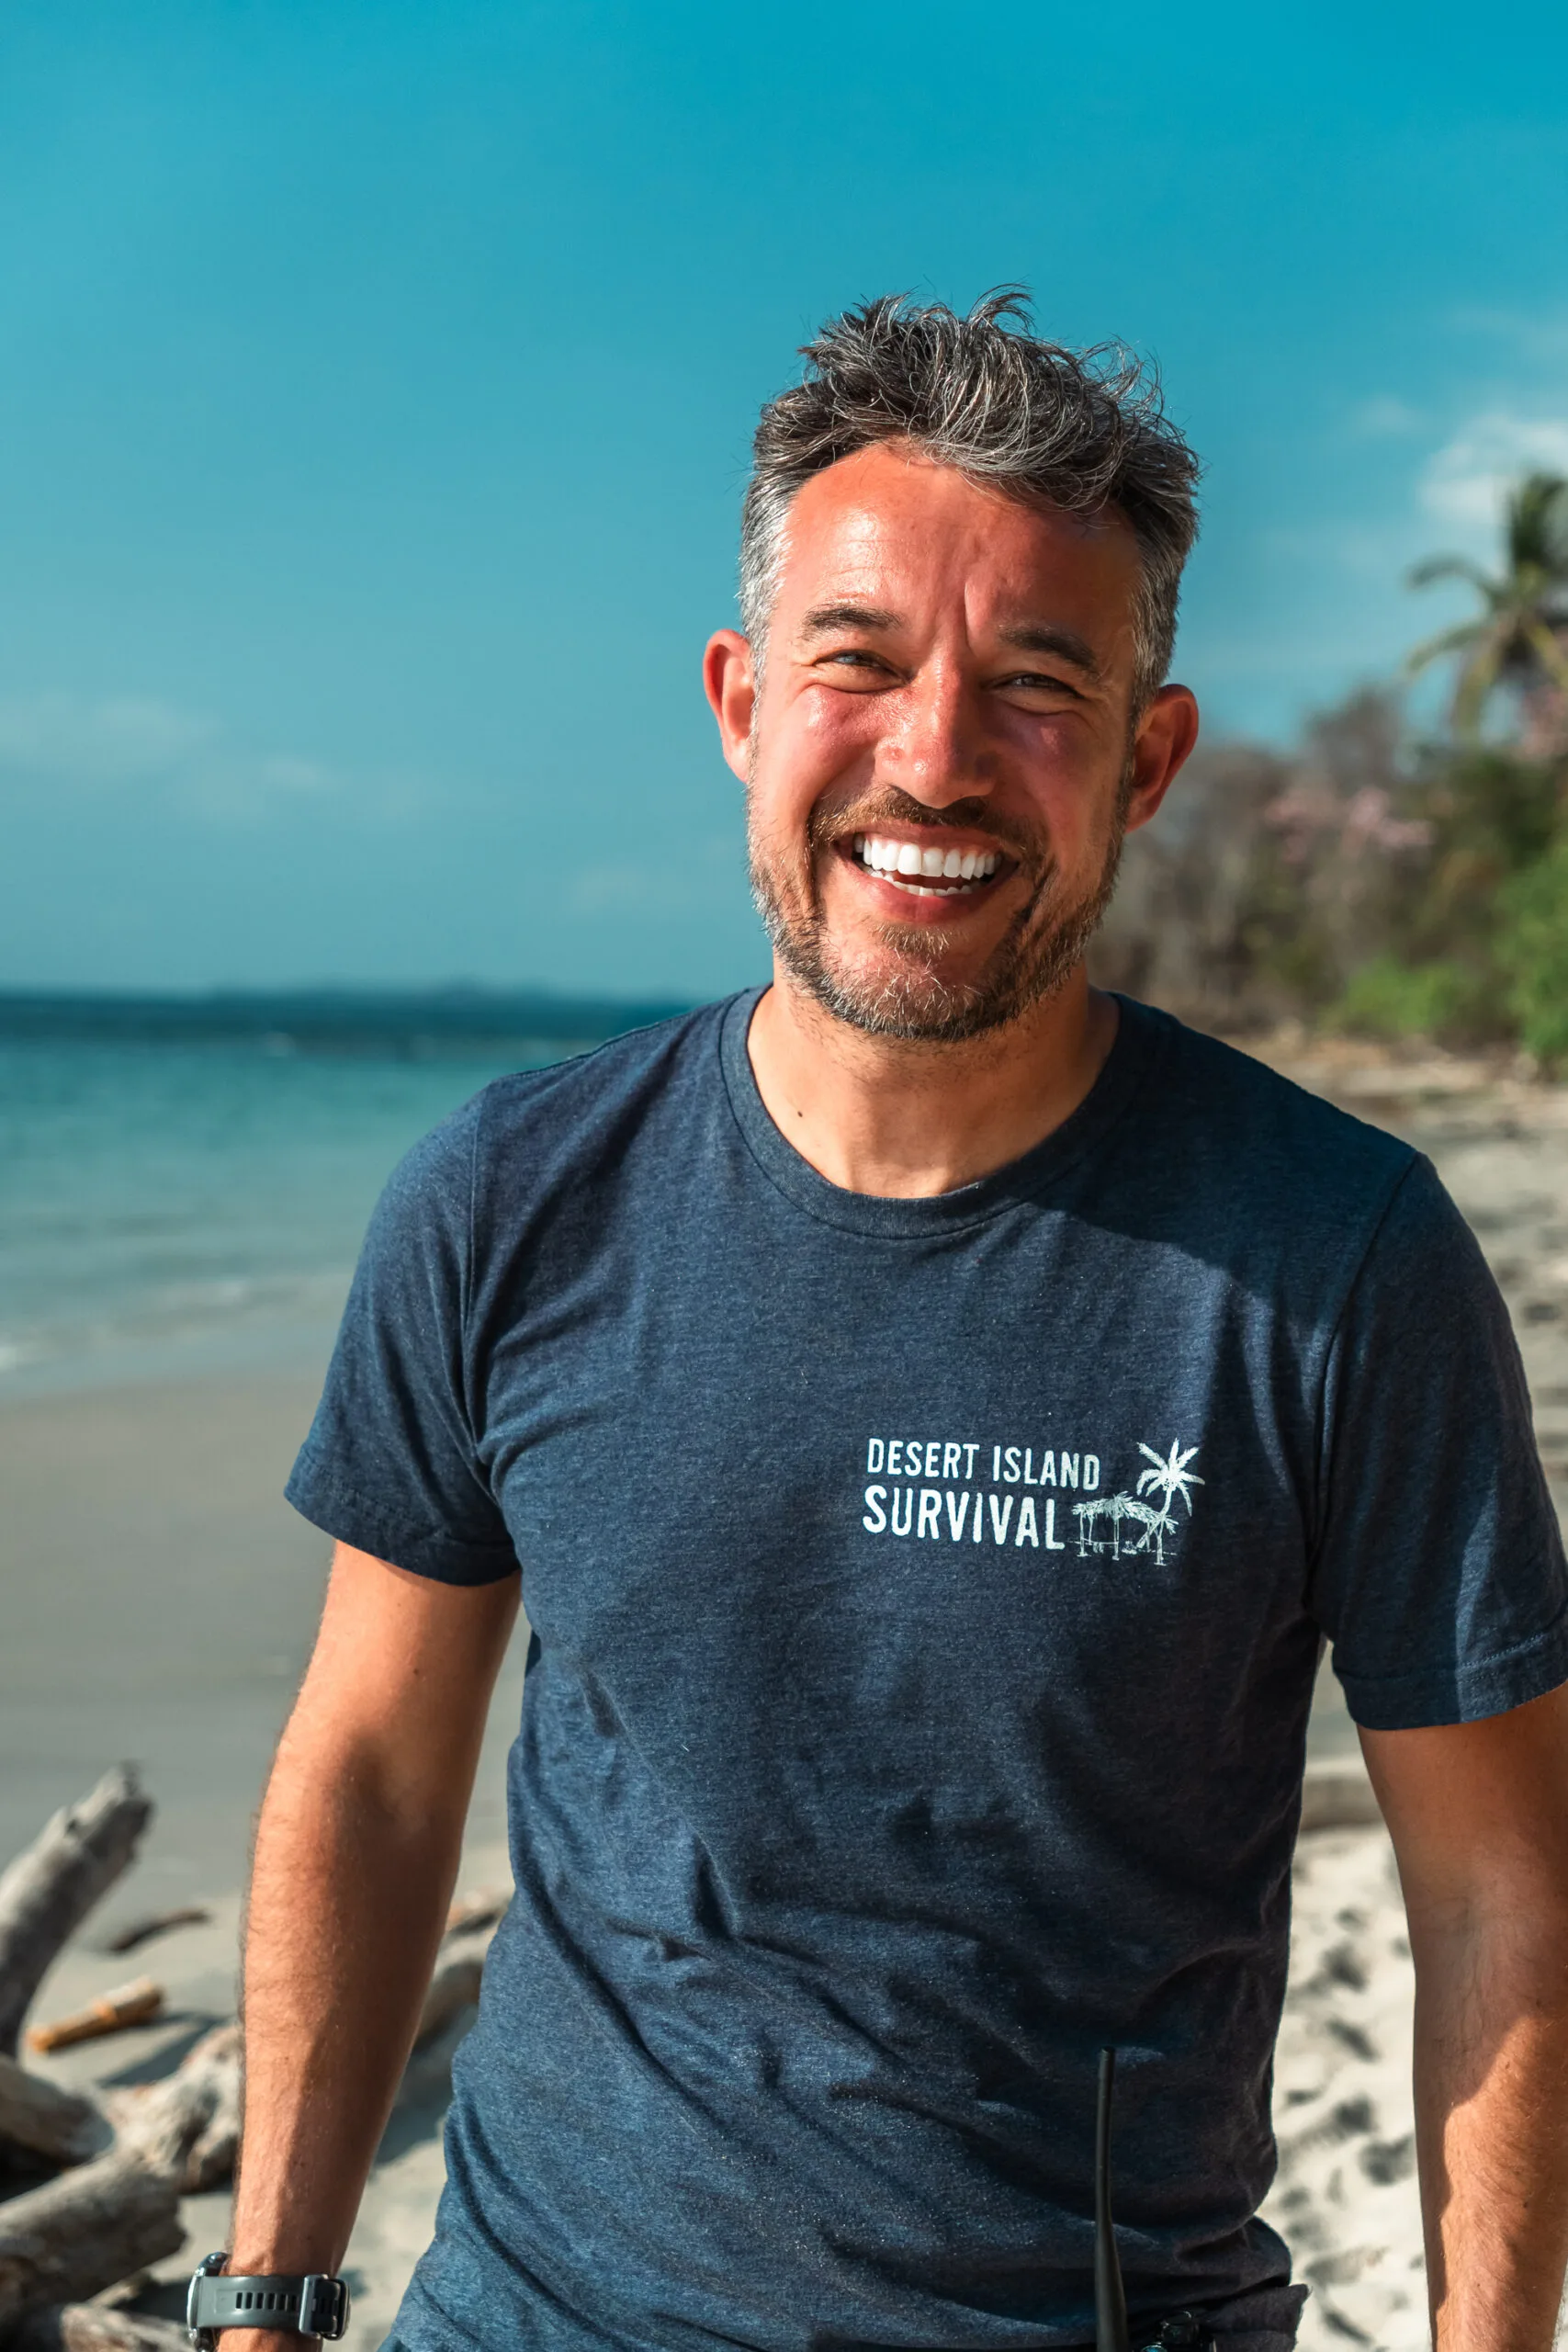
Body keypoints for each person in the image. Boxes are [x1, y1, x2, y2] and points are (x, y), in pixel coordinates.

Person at [221, 295, 1568, 2352]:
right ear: (742, 701)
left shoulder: (1338, 1256)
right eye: (858, 662)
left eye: (1039, 684)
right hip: (530, 2309)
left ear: (1149, 757)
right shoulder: (508, 1199)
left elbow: (1495, 1893)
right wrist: (268, 2291)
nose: (934, 756)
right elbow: (374, 1773)